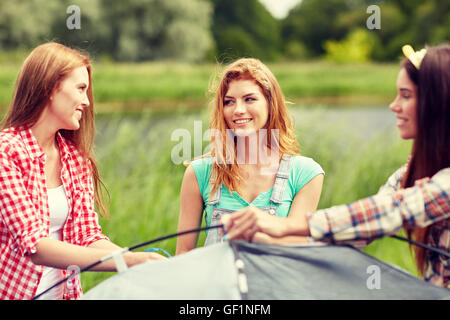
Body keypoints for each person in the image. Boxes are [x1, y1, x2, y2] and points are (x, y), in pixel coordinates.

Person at [222, 44, 450, 289]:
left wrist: (284, 225)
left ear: (436, 102)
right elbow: (360, 229)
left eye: (406, 95)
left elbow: (393, 210)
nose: (394, 106)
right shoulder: (407, 176)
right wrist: (265, 240)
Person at [0, 42, 165, 300]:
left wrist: (133, 259)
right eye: (81, 89)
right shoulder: (6, 152)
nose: (87, 102)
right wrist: (128, 262)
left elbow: (86, 235)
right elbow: (35, 246)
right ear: (50, 88)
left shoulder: (74, 159)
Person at [176, 58, 325, 254]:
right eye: (229, 102)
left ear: (271, 104)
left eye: (249, 99)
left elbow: (296, 249)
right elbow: (183, 257)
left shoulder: (306, 174)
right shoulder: (199, 172)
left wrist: (254, 237)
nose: (238, 110)